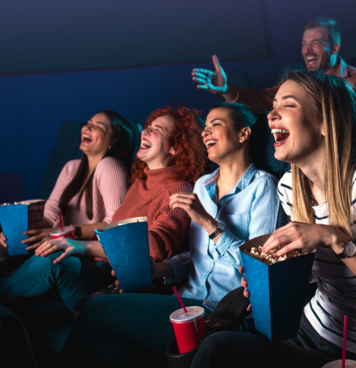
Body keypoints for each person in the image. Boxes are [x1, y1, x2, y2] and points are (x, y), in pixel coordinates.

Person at [190, 70, 356, 368]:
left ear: (325, 122)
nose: (271, 114)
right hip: (309, 327)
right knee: (215, 348)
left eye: (288, 105)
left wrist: (334, 238)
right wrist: (270, 281)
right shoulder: (289, 187)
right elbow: (314, 275)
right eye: (273, 105)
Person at [52, 103, 279, 367]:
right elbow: (195, 259)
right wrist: (162, 269)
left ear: (243, 134)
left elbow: (259, 270)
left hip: (223, 310)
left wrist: (209, 223)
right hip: (184, 300)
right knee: (106, 352)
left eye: (215, 124)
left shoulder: (264, 186)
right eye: (205, 127)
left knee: (95, 311)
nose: (206, 132)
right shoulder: (202, 186)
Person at [0, 107, 208, 313]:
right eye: (147, 127)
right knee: (25, 308)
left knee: (55, 262)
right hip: (104, 271)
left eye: (157, 129)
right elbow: (111, 230)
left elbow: (154, 249)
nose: (145, 131)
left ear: (176, 148)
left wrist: (82, 245)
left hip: (124, 285)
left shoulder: (178, 189)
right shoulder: (140, 182)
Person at [191, 17, 356, 122]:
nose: (307, 50)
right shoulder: (298, 81)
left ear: (334, 48)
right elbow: (263, 100)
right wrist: (227, 90)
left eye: (315, 43)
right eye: (304, 44)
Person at [0, 110, 133, 251]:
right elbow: (50, 213)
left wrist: (61, 233)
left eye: (98, 126)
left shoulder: (111, 165)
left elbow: (115, 223)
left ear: (113, 141)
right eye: (89, 123)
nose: (87, 128)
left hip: (84, 253)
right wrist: (16, 234)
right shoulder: (71, 167)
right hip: (55, 246)